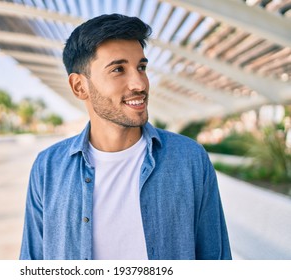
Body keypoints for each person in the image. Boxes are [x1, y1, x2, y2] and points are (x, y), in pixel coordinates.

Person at [20, 13, 232, 260]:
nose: (139, 83)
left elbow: (216, 260)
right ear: (79, 86)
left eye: (141, 67)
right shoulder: (48, 168)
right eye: (118, 69)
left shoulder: (189, 159)